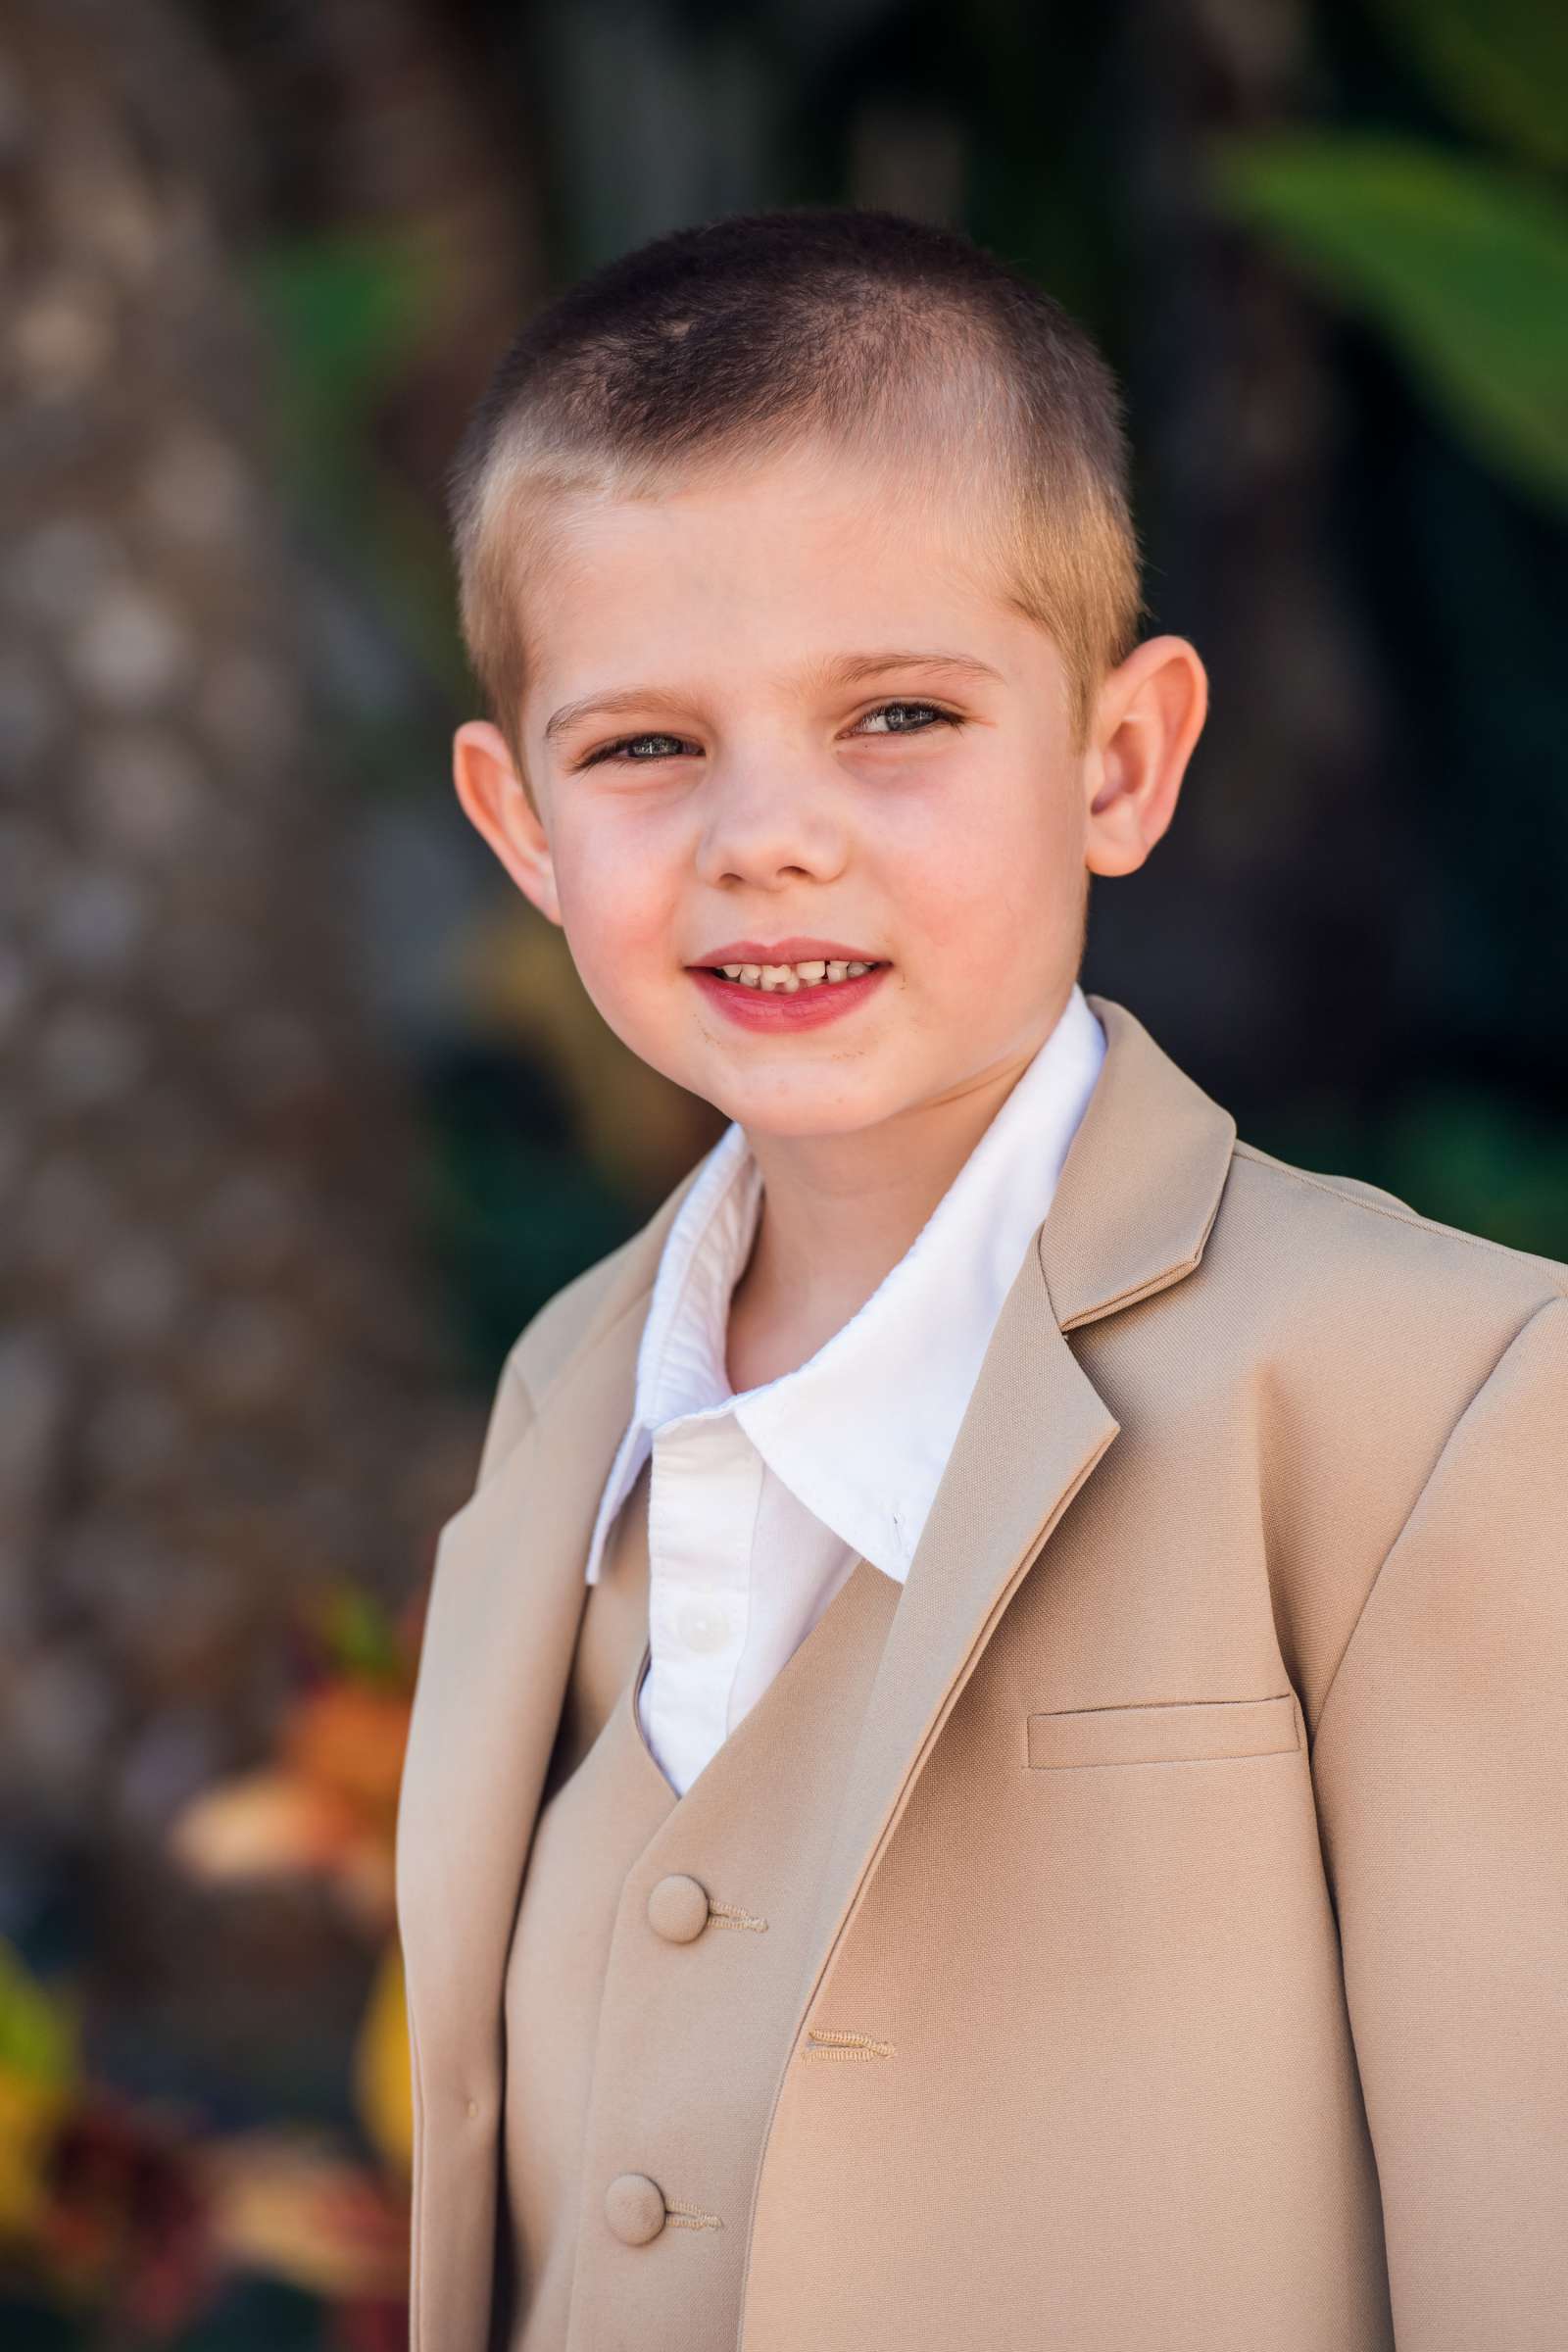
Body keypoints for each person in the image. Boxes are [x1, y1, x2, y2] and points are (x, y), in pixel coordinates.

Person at [393, 207, 1568, 2352]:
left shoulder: (1439, 1397)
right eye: (646, 746)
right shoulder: (570, 1392)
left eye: (895, 716)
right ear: (518, 822)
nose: (768, 837)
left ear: (1116, 760)